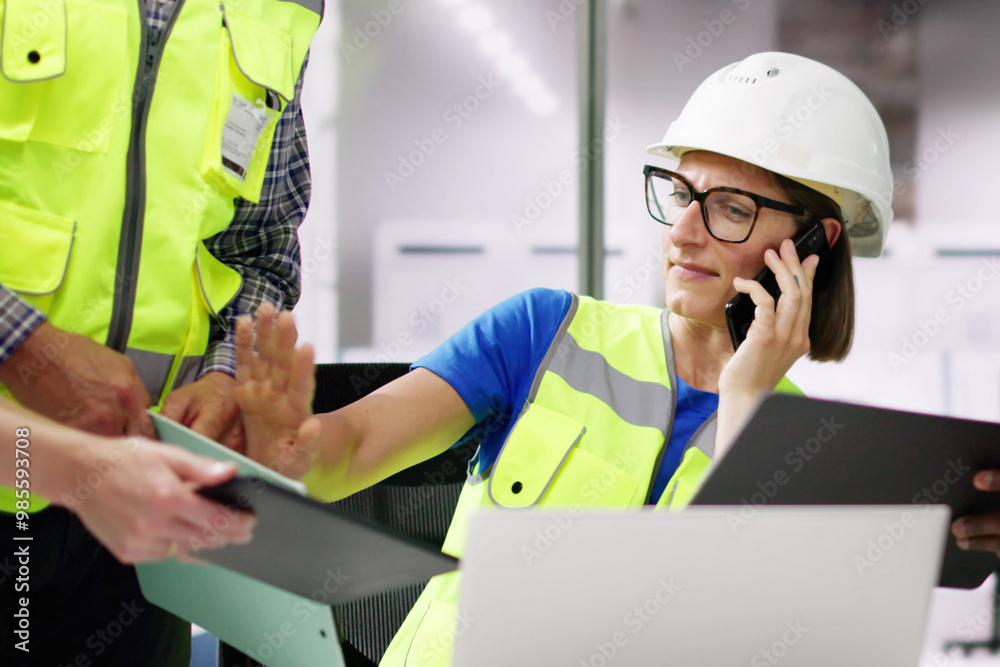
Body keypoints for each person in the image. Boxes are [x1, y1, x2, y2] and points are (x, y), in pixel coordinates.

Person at [234, 51, 899, 666]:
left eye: (731, 208)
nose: (683, 232)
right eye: (679, 194)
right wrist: (283, 445)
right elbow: (347, 450)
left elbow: (732, 630)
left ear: (815, 241)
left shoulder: (813, 445)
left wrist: (748, 397)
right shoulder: (544, 330)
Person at [0, 0, 321, 664]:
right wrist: (24, 347)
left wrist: (227, 372)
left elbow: (260, 244)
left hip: (143, 516)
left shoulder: (285, 8)